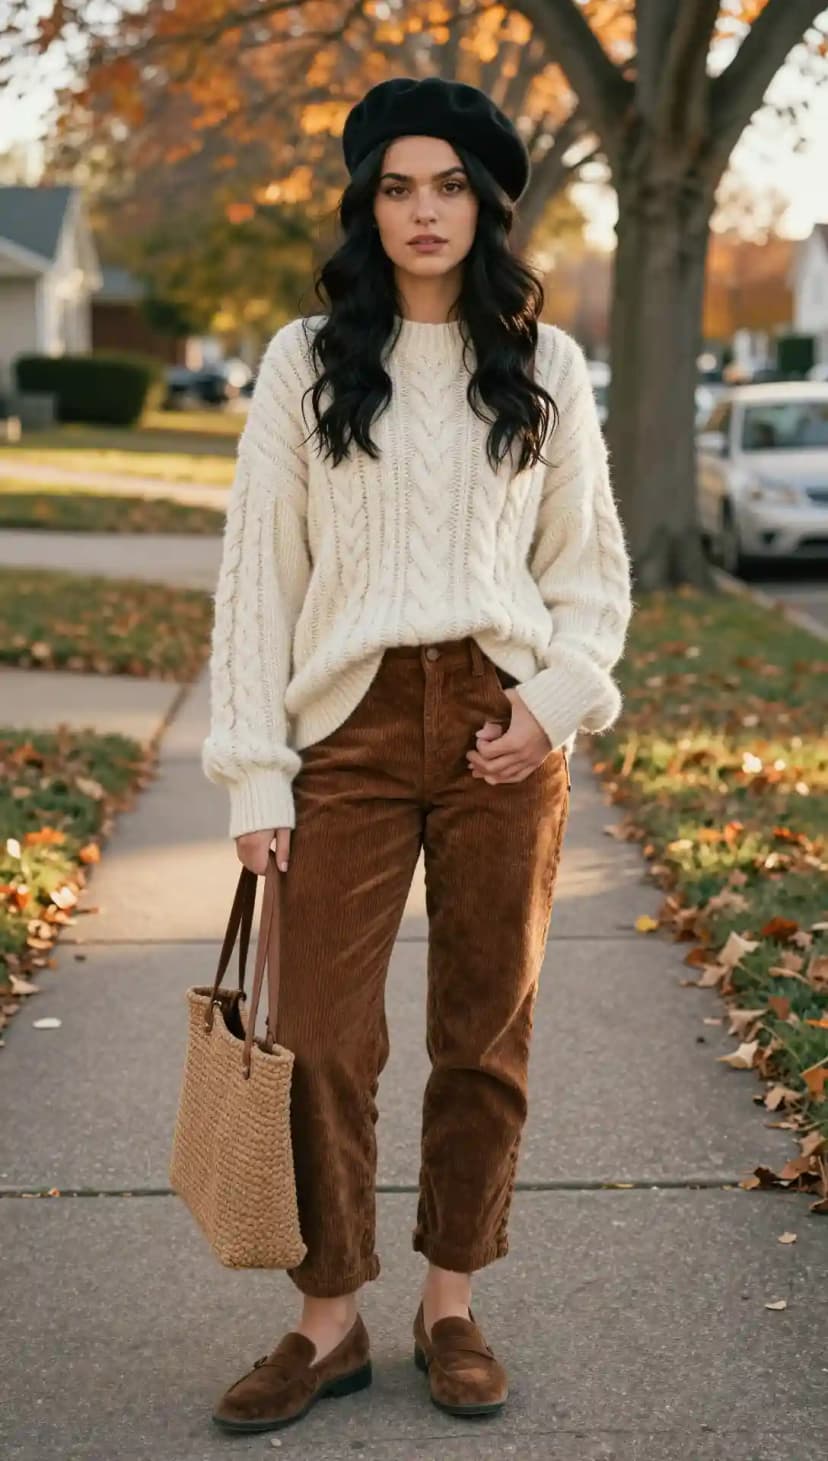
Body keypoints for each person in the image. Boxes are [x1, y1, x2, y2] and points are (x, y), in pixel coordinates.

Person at [201, 74, 634, 1435]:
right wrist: (255, 772)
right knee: (323, 1037)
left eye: (449, 186)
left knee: (482, 1029)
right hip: (351, 728)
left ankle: (450, 1301)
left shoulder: (545, 365)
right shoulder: (306, 357)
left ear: (488, 204)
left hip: (503, 723)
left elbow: (593, 574)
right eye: (397, 186)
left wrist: (553, 699)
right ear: (366, 204)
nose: (423, 211)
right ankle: (327, 1318)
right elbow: (257, 580)